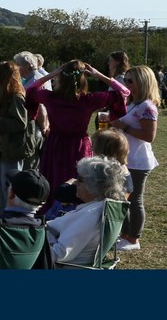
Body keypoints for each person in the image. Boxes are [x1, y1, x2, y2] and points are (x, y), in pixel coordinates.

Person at [26, 60, 129, 213]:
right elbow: (124, 92)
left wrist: (52, 74)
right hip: (79, 145)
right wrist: (99, 74)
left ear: (61, 77)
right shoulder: (89, 100)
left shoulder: (50, 97)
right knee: (79, 180)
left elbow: (29, 89)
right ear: (83, 78)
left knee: (55, 179)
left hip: (56, 144)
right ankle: (77, 211)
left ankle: (53, 211)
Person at [110, 65, 159, 251]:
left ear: (142, 82)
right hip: (128, 159)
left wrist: (124, 127)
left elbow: (150, 136)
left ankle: (133, 239)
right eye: (126, 80)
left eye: (130, 81)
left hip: (139, 160)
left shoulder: (147, 106)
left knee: (135, 200)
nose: (126, 84)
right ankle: (124, 235)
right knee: (123, 199)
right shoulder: (134, 103)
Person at [47, 156, 129, 266]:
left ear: (94, 185)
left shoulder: (91, 215)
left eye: (80, 179)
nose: (75, 182)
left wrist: (43, 232)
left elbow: (59, 254)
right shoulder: (99, 207)